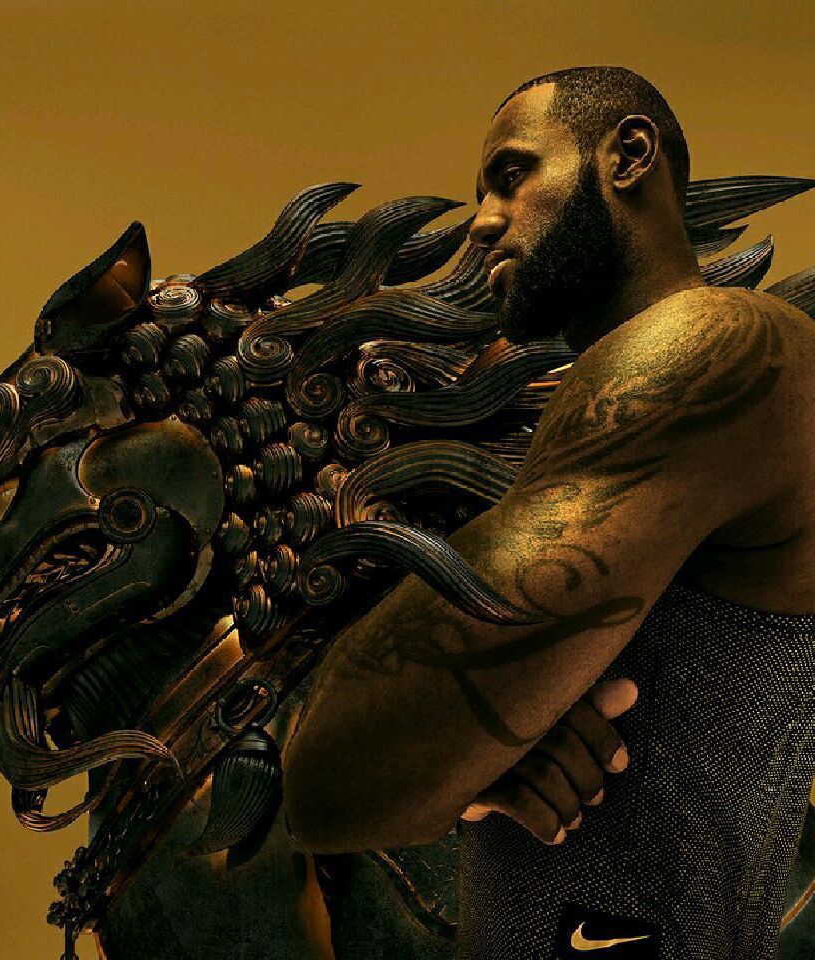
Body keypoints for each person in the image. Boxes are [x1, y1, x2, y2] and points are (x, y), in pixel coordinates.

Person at [282, 66, 815, 959]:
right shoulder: (621, 396)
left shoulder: (710, 344)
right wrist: (498, 738)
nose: (483, 221)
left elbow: (326, 776)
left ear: (628, 156)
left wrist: (463, 726)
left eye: (511, 174)